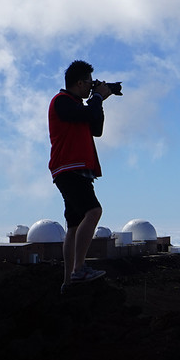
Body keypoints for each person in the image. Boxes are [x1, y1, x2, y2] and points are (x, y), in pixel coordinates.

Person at [49, 60, 115, 290]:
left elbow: (95, 129)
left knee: (75, 225)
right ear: (79, 82)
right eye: (88, 82)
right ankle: (78, 270)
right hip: (70, 168)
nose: (91, 86)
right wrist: (97, 97)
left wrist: (99, 101)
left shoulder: (77, 104)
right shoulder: (61, 102)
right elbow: (86, 116)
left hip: (74, 170)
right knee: (94, 211)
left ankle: (68, 281)